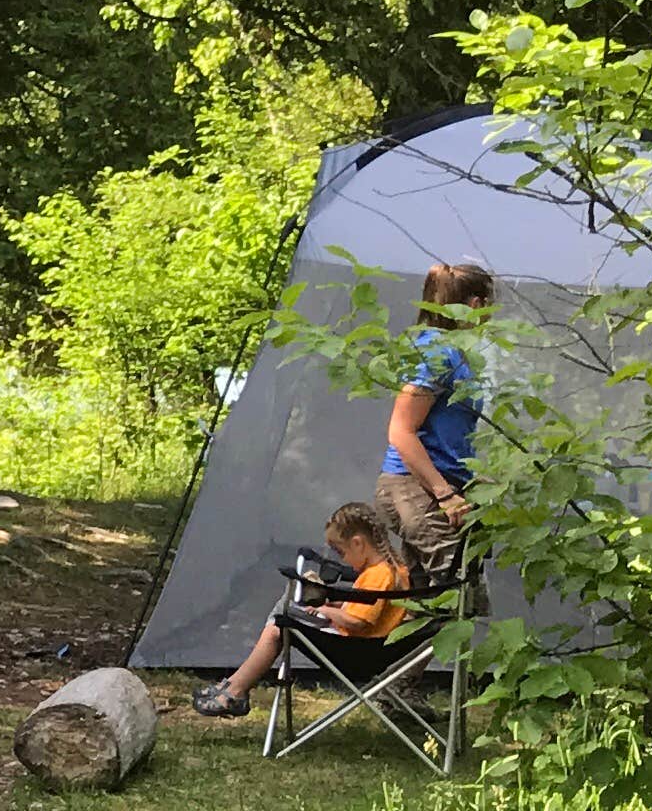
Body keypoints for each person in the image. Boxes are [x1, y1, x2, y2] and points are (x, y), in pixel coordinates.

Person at [191, 499, 408, 720]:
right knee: (283, 614)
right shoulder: (395, 568)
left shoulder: (378, 575)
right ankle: (235, 685)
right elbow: (367, 610)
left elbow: (357, 622)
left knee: (278, 626)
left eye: (341, 552)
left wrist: (324, 608)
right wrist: (334, 605)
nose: (342, 559)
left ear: (358, 543)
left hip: (355, 651)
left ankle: (235, 691)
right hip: (368, 646)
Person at [377, 259, 493, 575]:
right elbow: (401, 431)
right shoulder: (437, 352)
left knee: (424, 604)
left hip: (435, 489)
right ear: (475, 304)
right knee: (456, 591)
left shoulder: (457, 355)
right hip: (417, 490)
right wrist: (445, 494)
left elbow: (446, 432)